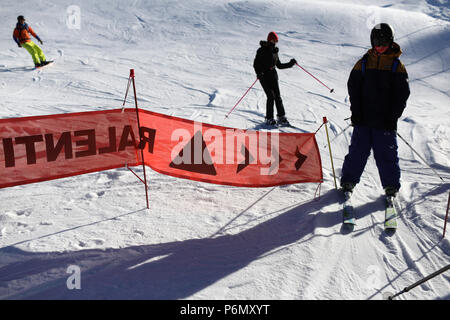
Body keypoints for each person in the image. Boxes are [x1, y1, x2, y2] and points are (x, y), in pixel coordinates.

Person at [340, 23, 410, 197]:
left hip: (384, 121)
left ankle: (391, 186)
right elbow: (353, 87)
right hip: (363, 118)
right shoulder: (363, 62)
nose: (379, 46)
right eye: (376, 42)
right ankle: (348, 181)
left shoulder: (396, 65)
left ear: (391, 42)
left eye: (383, 43)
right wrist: (355, 111)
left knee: (387, 155)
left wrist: (393, 116)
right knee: (357, 151)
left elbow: (402, 94)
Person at [253, 31, 296, 126]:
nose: (275, 42)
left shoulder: (274, 51)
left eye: (276, 40)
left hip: (273, 75)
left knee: (278, 96)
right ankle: (269, 118)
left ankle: (281, 117)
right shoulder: (261, 50)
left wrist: (290, 64)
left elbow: (279, 65)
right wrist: (258, 73)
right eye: (274, 40)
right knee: (270, 96)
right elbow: (256, 64)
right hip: (264, 76)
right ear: (269, 39)